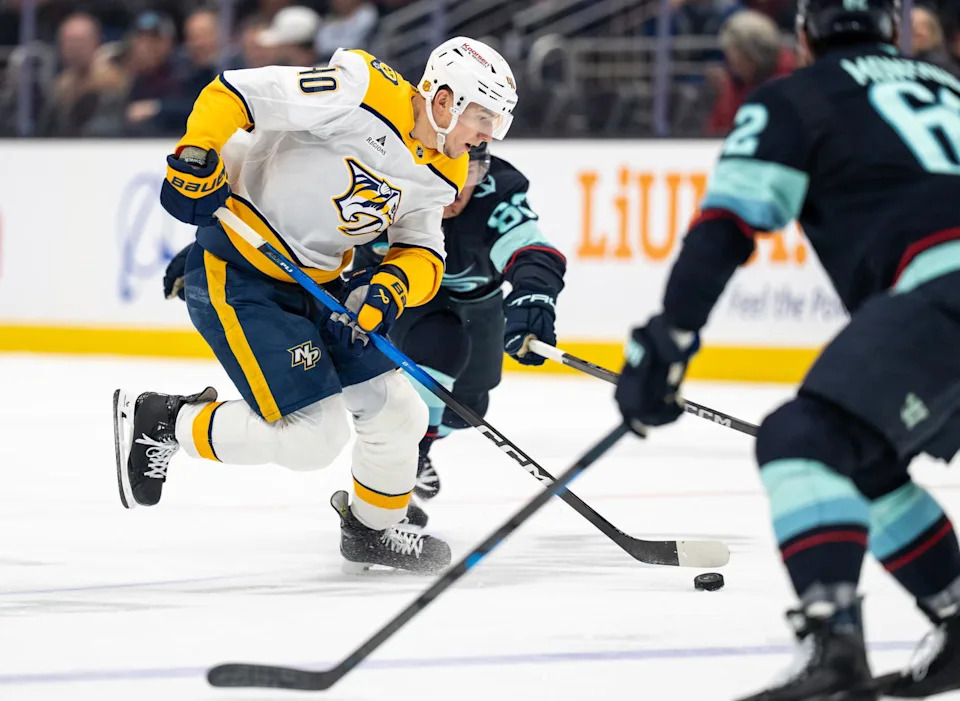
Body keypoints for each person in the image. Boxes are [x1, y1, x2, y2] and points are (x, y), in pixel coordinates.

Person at [614, 0, 960, 696]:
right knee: (863, 455)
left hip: (944, 283)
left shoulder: (797, 97)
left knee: (803, 441)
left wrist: (668, 341)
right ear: (894, 31)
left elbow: (725, 228)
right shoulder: (951, 88)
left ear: (802, 37)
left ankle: (834, 649)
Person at [113, 37, 518, 575]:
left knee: (401, 412)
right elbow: (237, 93)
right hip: (239, 273)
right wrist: (196, 152)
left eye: (499, 122)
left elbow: (422, 249)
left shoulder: (444, 168)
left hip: (317, 282)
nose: (489, 135)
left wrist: (390, 287)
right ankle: (164, 419)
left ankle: (369, 532)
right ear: (443, 100)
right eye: (484, 116)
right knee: (313, 438)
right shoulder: (360, 90)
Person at [351, 142, 566, 510]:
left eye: (470, 175)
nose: (456, 191)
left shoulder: (497, 191)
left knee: (467, 408)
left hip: (480, 301)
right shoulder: (392, 186)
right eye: (449, 174)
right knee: (441, 347)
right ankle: (404, 461)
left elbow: (532, 251)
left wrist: (534, 295)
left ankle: (424, 440)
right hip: (409, 293)